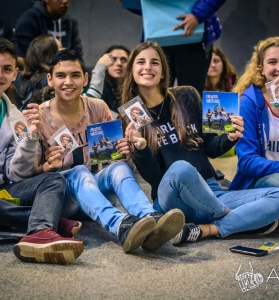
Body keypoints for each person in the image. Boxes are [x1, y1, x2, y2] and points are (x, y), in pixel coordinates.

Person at [121, 41, 279, 245]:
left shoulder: (185, 96)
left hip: (211, 190)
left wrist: (229, 137)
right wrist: (141, 148)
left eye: (155, 62)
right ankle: (228, 215)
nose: (148, 67)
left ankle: (207, 229)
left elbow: (210, 148)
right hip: (173, 200)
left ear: (163, 71)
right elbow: (153, 177)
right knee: (181, 169)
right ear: (132, 71)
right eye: (141, 62)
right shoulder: (131, 115)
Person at [34, 48, 185, 253]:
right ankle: (120, 225)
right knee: (79, 172)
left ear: (85, 79)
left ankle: (150, 218)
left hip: (98, 193)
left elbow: (113, 159)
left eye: (75, 75)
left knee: (119, 167)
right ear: (50, 80)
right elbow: (28, 175)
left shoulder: (98, 107)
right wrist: (46, 166)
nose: (68, 82)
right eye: (61, 75)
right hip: (65, 200)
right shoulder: (39, 116)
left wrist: (125, 152)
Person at [0, 37, 83, 264]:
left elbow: (16, 175)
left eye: (6, 69)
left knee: (53, 181)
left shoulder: (16, 116)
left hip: (0, 192)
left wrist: (30, 136)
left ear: (14, 74)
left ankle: (38, 233)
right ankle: (43, 222)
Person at [123, 0, 226, 95]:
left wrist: (198, 15)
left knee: (190, 97)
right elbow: (149, 7)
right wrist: (130, 2)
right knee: (152, 94)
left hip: (194, 38)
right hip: (159, 36)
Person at [230, 36, 279, 190]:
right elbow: (247, 161)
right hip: (259, 181)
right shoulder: (248, 102)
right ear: (261, 69)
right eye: (272, 62)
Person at [15, 0, 82, 65]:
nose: (65, 1)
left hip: (67, 70)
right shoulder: (28, 20)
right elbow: (27, 58)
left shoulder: (71, 22)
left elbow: (78, 54)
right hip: (38, 73)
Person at [13, 34, 61, 109]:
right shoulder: (49, 81)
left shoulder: (17, 76)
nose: (65, 49)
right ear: (50, 55)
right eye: (60, 48)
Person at [85, 45, 130, 114]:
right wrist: (100, 68)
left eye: (123, 60)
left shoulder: (133, 86)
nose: (119, 63)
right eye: (113, 59)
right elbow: (86, 110)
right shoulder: (98, 83)